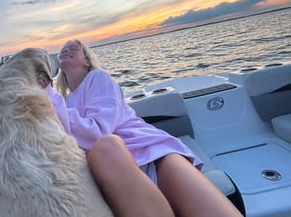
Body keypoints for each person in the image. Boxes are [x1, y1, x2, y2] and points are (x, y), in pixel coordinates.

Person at [41, 39, 243, 217]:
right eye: (62, 50)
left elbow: (99, 131)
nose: (65, 50)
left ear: (86, 60)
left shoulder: (98, 78)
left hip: (149, 152)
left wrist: (44, 92)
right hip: (109, 172)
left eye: (73, 48)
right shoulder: (65, 102)